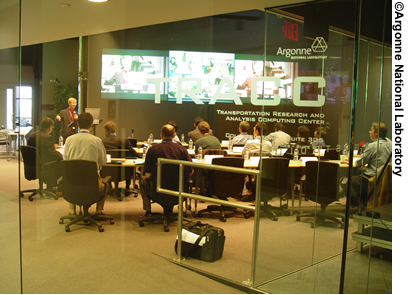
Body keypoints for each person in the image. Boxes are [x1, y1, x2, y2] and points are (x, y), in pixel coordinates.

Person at [140, 124, 193, 217]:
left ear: (161, 135)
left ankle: (148, 211)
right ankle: (170, 209)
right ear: (174, 136)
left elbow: (148, 175)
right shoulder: (182, 150)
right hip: (178, 190)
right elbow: (190, 172)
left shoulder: (152, 150)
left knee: (143, 180)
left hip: (157, 190)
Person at [63, 112, 107, 215]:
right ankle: (99, 211)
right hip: (92, 185)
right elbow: (103, 162)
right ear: (91, 124)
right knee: (105, 184)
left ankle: (72, 210)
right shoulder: (97, 141)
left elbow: (65, 160)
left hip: (71, 183)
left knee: (72, 176)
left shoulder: (69, 140)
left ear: (77, 124)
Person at [350, 122, 392, 207]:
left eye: (371, 130)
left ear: (376, 133)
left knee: (348, 180)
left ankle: (360, 205)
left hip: (373, 179)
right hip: (387, 180)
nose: (369, 132)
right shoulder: (392, 144)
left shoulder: (373, 146)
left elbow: (359, 163)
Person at [27, 117, 63, 189]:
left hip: (31, 166)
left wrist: (51, 146)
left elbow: (38, 148)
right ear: (50, 127)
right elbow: (52, 154)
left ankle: (48, 186)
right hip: (44, 166)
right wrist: (61, 156)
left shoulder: (32, 135)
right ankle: (52, 187)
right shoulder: (48, 137)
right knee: (62, 163)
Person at [102, 121, 137, 194]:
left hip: (108, 172)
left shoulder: (102, 142)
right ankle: (127, 187)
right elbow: (133, 153)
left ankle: (110, 187)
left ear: (105, 131)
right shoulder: (124, 140)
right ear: (115, 131)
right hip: (124, 173)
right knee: (131, 164)